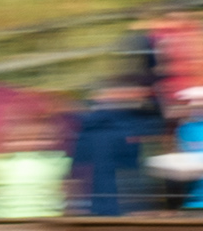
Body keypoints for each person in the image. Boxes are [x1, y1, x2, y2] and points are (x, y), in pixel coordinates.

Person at [65, 81, 166, 218]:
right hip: (127, 208)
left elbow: (78, 168)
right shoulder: (139, 125)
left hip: (109, 207)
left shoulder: (90, 126)